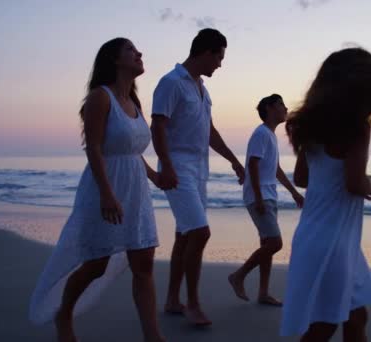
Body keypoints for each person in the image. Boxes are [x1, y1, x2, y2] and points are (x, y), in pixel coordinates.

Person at [29, 38, 166, 342]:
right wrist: (107, 193)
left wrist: (154, 175)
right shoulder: (100, 98)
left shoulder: (134, 102)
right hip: (105, 187)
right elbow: (93, 147)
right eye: (131, 50)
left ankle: (153, 336)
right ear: (115, 60)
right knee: (96, 264)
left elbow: (130, 149)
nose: (139, 53)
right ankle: (64, 313)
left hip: (136, 191)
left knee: (143, 265)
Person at [280, 47, 371, 341]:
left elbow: (301, 177)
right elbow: (354, 184)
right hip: (334, 242)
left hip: (318, 235)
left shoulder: (309, 126)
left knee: (355, 315)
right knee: (324, 325)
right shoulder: (356, 129)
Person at [151, 28, 244, 326]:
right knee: (200, 232)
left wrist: (233, 160)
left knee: (184, 234)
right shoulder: (171, 83)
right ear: (206, 52)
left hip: (200, 169)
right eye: (219, 56)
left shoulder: (202, 88)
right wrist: (166, 164)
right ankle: (192, 303)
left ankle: (171, 300)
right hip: (178, 166)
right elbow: (158, 126)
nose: (220, 63)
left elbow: (209, 132)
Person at [228, 94, 304, 306]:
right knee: (274, 243)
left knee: (267, 244)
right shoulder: (261, 133)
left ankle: (263, 293)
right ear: (270, 108)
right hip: (259, 196)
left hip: (269, 194)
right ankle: (238, 276)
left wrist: (294, 192)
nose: (286, 108)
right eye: (281, 104)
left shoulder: (270, 135)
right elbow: (252, 164)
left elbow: (276, 169)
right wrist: (259, 197)